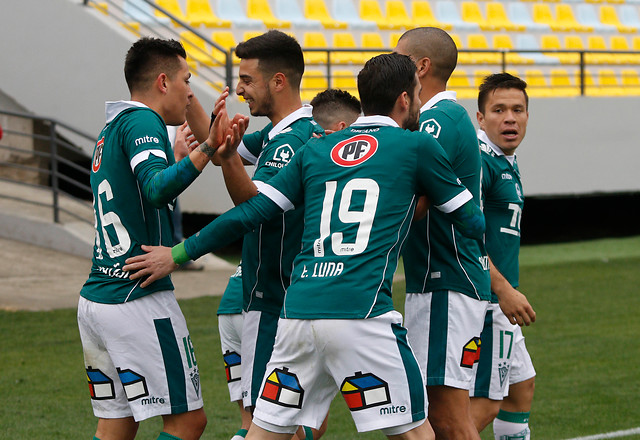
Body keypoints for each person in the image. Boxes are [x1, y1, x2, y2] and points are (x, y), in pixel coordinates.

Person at [124, 52, 486, 440]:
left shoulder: (315, 149)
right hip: (362, 315)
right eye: (416, 95)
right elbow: (473, 223)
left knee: (264, 435)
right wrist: (425, 193)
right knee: (417, 435)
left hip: (297, 318)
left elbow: (249, 214)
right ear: (403, 99)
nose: (418, 104)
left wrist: (178, 254)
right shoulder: (417, 148)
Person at [77, 37, 246, 440]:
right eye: (187, 80)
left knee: (117, 422)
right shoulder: (142, 121)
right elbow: (155, 190)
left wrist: (174, 159)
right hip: (137, 299)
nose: (191, 92)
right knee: (188, 421)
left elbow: (140, 198)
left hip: (98, 299)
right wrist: (206, 148)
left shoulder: (112, 127)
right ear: (163, 82)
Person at [215, 88, 360, 440]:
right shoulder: (297, 141)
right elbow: (252, 207)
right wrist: (180, 253)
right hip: (268, 304)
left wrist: (193, 108)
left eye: (247, 79)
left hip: (243, 297)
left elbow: (221, 146)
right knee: (272, 426)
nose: (241, 88)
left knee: (282, 422)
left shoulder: (281, 134)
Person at [394, 27, 491, 440]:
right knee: (438, 418)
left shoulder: (437, 120)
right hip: (439, 281)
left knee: (447, 418)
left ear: (421, 66)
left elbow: (411, 195)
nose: (392, 64)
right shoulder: (438, 119)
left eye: (398, 57)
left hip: (446, 281)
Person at [469, 73, 536, 440]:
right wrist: (503, 290)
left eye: (517, 109)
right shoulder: (480, 162)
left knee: (520, 386)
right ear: (480, 118)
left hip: (498, 301)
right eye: (498, 110)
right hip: (488, 301)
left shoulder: (506, 159)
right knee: (482, 405)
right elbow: (465, 234)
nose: (510, 118)